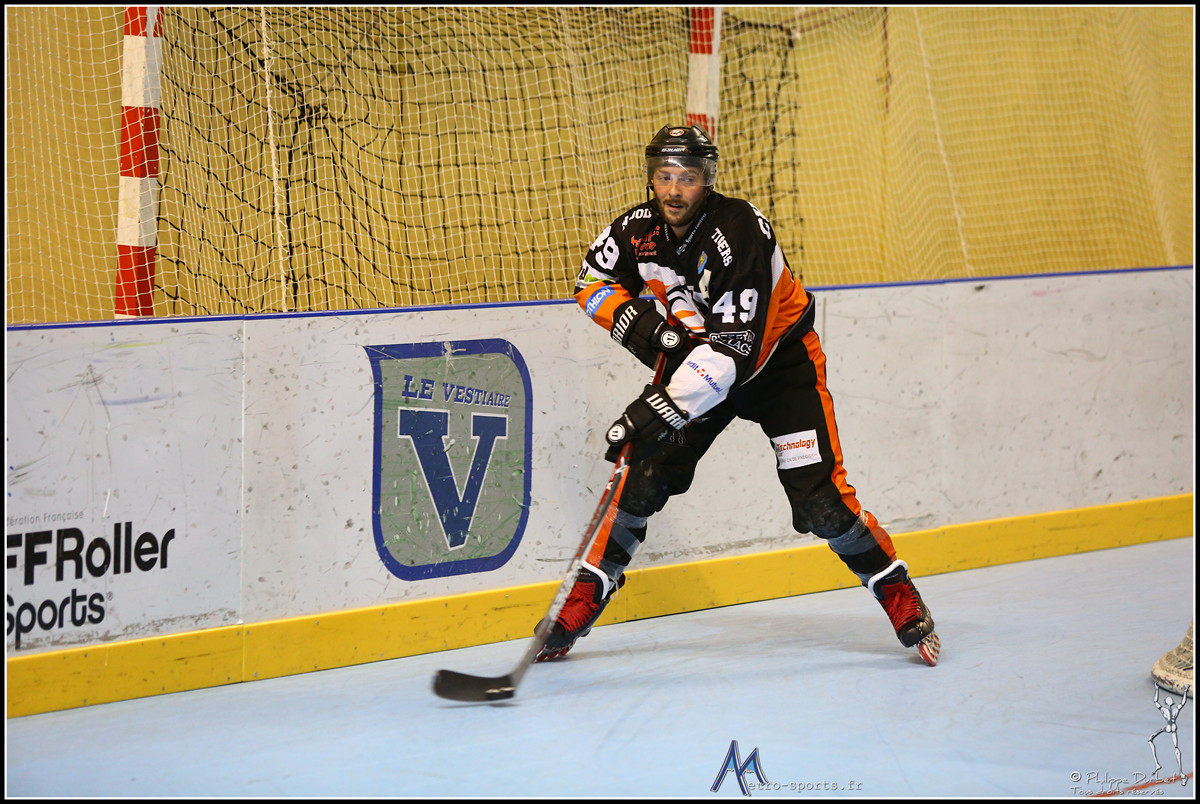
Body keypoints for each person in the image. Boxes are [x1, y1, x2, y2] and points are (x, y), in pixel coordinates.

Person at [534, 124, 940, 667]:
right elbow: (591, 282)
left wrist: (657, 406)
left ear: (707, 181)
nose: (674, 190)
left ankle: (893, 586)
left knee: (819, 501)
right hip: (701, 368)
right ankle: (588, 592)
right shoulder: (637, 229)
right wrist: (645, 329)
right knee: (643, 474)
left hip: (779, 369)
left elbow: (733, 352)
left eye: (687, 177)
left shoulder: (739, 229)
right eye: (664, 176)